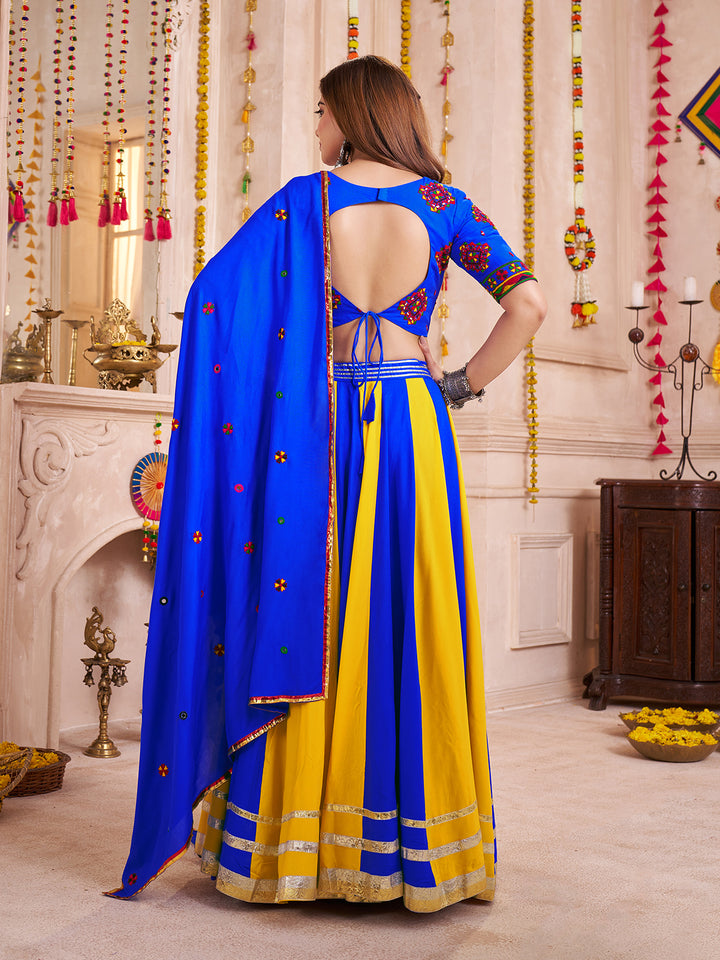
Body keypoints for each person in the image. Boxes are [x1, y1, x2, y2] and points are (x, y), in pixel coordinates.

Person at [108, 55, 546, 913]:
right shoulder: (443, 205)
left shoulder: (303, 203)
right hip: (414, 421)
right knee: (410, 609)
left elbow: (209, 300)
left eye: (321, 112)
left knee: (307, 602)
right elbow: (527, 306)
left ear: (350, 116)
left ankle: (290, 842)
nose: (315, 127)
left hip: (319, 425)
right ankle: (415, 843)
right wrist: (458, 383)